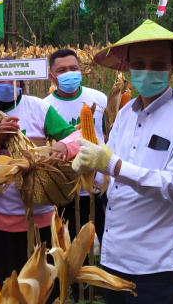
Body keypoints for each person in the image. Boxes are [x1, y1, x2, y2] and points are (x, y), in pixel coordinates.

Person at [76, 19, 173, 303]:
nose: (147, 71)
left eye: (158, 64)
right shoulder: (125, 114)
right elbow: (109, 174)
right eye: (139, 64)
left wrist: (114, 166)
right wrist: (89, 170)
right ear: (128, 67)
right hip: (114, 256)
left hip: (156, 264)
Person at [0, 74, 80, 291]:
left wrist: (65, 147)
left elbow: (76, 136)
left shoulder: (39, 107)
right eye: (1, 80)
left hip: (40, 220)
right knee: (6, 288)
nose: (7, 84)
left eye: (13, 80)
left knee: (41, 290)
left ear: (21, 83)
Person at [43, 48, 107, 251]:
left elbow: (107, 134)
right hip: (66, 189)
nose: (69, 73)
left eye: (73, 68)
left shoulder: (99, 99)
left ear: (81, 70)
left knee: (107, 239)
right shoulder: (45, 107)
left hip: (99, 185)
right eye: (62, 70)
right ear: (52, 77)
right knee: (72, 246)